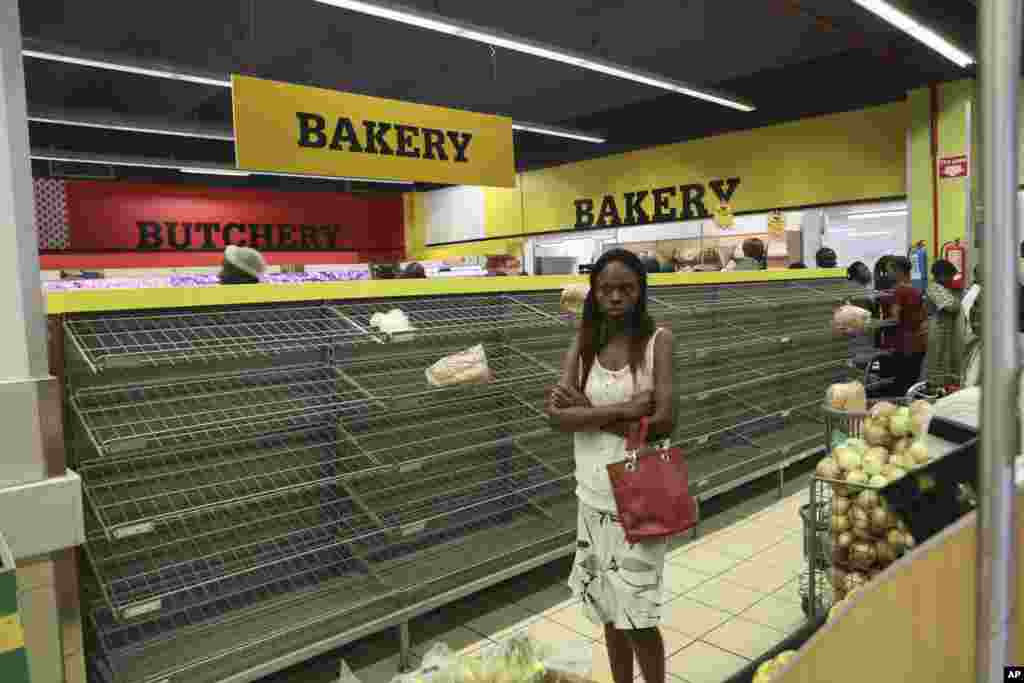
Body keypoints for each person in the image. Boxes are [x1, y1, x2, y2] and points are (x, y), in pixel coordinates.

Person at [544, 248, 675, 683]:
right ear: (594, 294)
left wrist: (589, 411)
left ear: (641, 291)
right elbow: (556, 418)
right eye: (606, 289)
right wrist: (625, 409)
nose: (616, 297)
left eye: (626, 289)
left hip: (639, 500)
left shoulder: (659, 342)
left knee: (638, 618)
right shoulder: (583, 344)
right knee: (607, 612)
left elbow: (662, 423)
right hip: (592, 497)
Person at [878, 256, 928, 396]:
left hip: (901, 345)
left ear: (898, 270)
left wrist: (872, 324)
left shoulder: (899, 291)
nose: (887, 274)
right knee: (911, 386)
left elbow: (894, 319)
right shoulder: (916, 290)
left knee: (899, 388)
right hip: (917, 344)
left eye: (889, 270)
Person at [924, 260, 965, 394]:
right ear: (941, 275)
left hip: (947, 331)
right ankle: (933, 393)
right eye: (949, 277)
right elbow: (951, 306)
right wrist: (958, 297)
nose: (951, 280)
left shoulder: (946, 289)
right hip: (937, 330)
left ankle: (945, 391)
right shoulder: (933, 288)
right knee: (937, 363)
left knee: (947, 365)